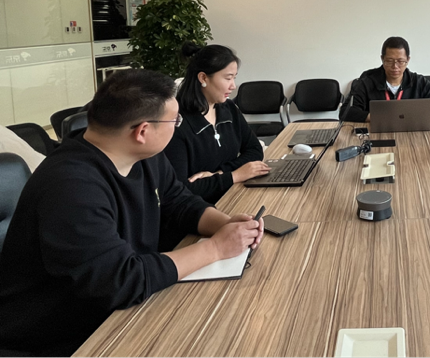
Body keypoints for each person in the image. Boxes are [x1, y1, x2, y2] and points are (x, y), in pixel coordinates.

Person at [0, 69, 264, 357]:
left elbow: (178, 201)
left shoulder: (142, 155)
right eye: (175, 121)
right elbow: (121, 281)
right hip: (63, 334)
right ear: (143, 131)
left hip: (122, 306)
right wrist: (215, 248)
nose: (178, 127)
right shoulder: (70, 185)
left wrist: (226, 225)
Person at [164, 43, 270, 206]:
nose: (233, 86)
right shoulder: (177, 123)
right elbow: (181, 188)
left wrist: (220, 173)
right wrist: (234, 176)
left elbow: (254, 150)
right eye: (228, 78)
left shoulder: (229, 109)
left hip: (235, 196)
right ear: (203, 78)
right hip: (203, 210)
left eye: (234, 78)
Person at [340, 36, 430, 130]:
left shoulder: (419, 82)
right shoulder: (366, 81)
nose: (395, 66)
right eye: (389, 61)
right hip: (377, 134)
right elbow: (345, 112)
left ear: (408, 60)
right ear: (382, 59)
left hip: (413, 134)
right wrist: (380, 118)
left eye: (400, 61)